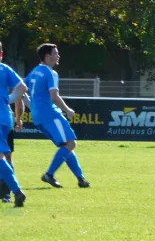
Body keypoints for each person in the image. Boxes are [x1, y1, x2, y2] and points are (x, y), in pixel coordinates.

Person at [25, 43, 91, 189]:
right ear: (47, 57)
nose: (58, 56)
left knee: (65, 146)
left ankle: (81, 178)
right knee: (71, 143)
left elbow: (21, 89)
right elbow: (54, 96)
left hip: (38, 117)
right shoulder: (50, 73)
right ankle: (49, 174)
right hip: (51, 114)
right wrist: (67, 110)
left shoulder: (35, 71)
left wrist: (32, 106)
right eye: (55, 53)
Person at [0, 41, 28, 207]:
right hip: (5, 118)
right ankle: (6, 188)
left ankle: (15, 190)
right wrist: (7, 100)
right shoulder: (4, 69)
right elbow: (23, 88)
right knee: (4, 156)